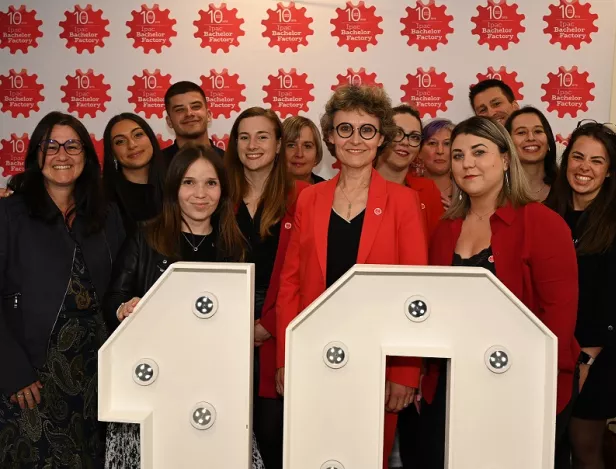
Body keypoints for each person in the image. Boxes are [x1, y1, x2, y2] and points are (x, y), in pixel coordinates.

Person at [275, 84, 428, 469]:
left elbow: (415, 295)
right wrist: (283, 358)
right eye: (345, 129)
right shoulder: (309, 199)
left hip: (378, 360)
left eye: (366, 130)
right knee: (313, 454)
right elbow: (290, 284)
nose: (355, 139)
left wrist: (406, 370)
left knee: (367, 456)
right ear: (330, 136)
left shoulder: (404, 202)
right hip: (313, 354)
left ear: (381, 139)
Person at [429, 116, 580, 469]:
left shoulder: (541, 223)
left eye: (479, 152)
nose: (467, 163)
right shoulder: (445, 229)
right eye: (458, 155)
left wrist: (532, 389)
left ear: (506, 159)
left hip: (524, 386)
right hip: (458, 384)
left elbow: (558, 318)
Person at [102, 144, 264, 468]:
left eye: (211, 183)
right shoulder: (145, 236)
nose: (200, 193)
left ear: (223, 189)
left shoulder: (235, 244)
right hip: (153, 383)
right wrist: (124, 310)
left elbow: (253, 301)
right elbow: (114, 300)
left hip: (216, 385)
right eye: (189, 182)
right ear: (174, 187)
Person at [0, 111, 125, 468]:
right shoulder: (9, 213)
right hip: (32, 375)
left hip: (96, 375)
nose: (62, 154)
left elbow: (120, 289)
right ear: (36, 155)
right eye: (50, 145)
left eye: (72, 145)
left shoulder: (106, 215)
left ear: (87, 155)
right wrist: (12, 371)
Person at [225, 106, 308, 469]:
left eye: (262, 136)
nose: (252, 145)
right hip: (226, 328)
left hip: (284, 328)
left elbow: (309, 274)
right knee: (227, 431)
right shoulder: (215, 194)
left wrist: (268, 325)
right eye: (244, 137)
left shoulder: (305, 197)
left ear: (279, 145)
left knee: (275, 434)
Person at [546, 120, 616, 469]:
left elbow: (609, 299)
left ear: (608, 172)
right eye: (578, 157)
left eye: (597, 161)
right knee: (550, 444)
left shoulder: (613, 221)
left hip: (596, 355)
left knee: (584, 445)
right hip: (551, 349)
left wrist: (586, 359)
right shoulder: (547, 213)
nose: (584, 167)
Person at [375, 104, 444, 237]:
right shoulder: (357, 188)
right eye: (397, 133)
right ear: (381, 138)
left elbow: (437, 247)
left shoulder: (428, 190)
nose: (405, 142)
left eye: (414, 137)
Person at [102, 112, 167, 234]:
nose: (132, 145)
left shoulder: (178, 186)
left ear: (151, 139)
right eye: (120, 141)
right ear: (112, 153)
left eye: (138, 135)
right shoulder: (102, 198)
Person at [505, 106, 558, 202]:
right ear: (508, 142)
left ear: (548, 141)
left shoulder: (566, 188)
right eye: (521, 132)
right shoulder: (498, 191)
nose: (531, 138)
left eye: (538, 131)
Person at [162, 81, 224, 162]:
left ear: (208, 115)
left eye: (196, 107)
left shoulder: (229, 163)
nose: (189, 113)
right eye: (180, 110)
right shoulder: (157, 164)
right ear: (169, 121)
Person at [420, 118, 455, 210]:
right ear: (419, 152)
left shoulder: (468, 192)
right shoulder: (409, 190)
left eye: (447, 144)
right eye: (432, 143)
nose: (440, 151)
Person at [282, 115, 326, 184]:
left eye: (307, 146)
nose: (299, 154)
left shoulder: (332, 192)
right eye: (291, 145)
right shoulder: (261, 191)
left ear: (317, 155)